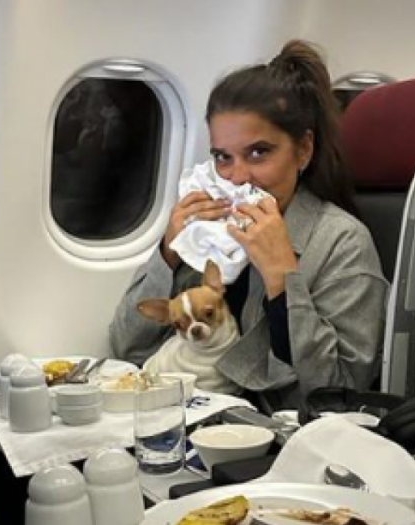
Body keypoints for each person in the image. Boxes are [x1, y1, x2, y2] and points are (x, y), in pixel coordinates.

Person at [109, 40, 389, 412]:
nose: (237, 177)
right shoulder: (211, 236)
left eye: (259, 152)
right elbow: (129, 348)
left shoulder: (342, 242)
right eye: (223, 157)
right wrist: (169, 252)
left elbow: (338, 395)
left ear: (303, 150)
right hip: (196, 412)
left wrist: (282, 278)